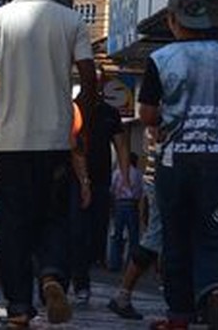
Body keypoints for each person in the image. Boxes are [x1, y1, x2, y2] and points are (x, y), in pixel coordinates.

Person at [0, 0, 97, 327]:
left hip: (10, 144)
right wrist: (83, 124)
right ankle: (53, 275)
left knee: (13, 226)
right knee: (54, 219)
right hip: (56, 140)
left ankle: (20, 309)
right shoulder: (70, 20)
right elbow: (89, 76)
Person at [138, 0, 218, 330]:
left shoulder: (161, 59)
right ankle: (216, 291)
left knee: (177, 237)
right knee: (216, 232)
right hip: (214, 161)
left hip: (175, 163)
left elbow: (147, 114)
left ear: (172, 20)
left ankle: (179, 315)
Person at [70, 84, 130, 304]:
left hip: (102, 181)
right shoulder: (73, 109)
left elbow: (121, 144)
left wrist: (124, 177)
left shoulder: (109, 113)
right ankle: (78, 281)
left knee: (96, 232)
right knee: (77, 232)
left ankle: (80, 274)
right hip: (74, 180)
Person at [107, 129, 164, 321]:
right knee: (153, 237)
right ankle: (123, 293)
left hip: (165, 176)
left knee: (151, 237)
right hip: (166, 175)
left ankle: (123, 293)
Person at [108, 152, 144, 273]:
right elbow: (140, 191)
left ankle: (114, 263)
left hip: (119, 203)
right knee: (133, 236)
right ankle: (131, 264)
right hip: (132, 204)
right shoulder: (138, 174)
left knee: (117, 234)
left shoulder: (118, 172)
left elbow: (112, 188)